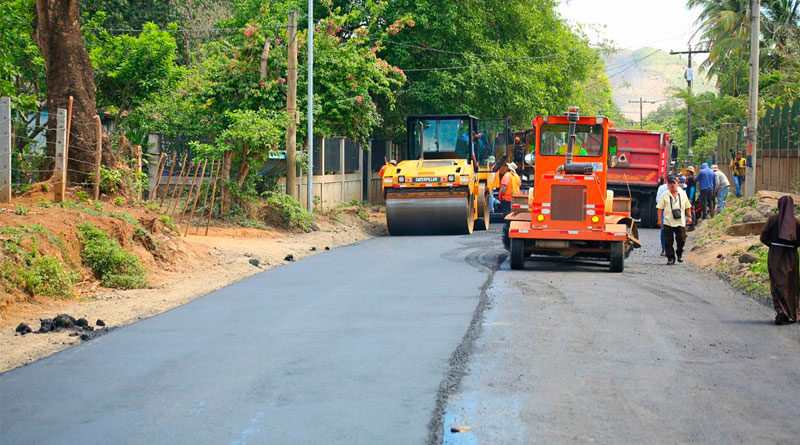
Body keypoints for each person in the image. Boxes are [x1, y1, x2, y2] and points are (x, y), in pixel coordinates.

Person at [760, 195, 800, 325]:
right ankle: (792, 313)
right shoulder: (796, 222)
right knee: (791, 283)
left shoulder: (773, 220)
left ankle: (781, 310)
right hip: (791, 256)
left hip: (776, 255)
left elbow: (763, 237)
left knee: (777, 282)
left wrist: (772, 245)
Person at [657, 176, 692, 265]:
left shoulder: (683, 193)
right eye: (670, 183)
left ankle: (679, 252)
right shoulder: (664, 195)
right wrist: (659, 220)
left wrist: (689, 216)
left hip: (680, 221)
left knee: (682, 239)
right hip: (668, 221)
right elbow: (660, 209)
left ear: (677, 184)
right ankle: (671, 258)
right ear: (668, 185)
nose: (672, 185)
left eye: (674, 183)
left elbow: (688, 206)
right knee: (668, 241)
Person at [656, 180, 669, 256]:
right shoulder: (662, 189)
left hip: (675, 213)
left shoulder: (679, 190)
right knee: (664, 229)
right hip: (665, 210)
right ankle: (664, 248)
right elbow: (658, 200)